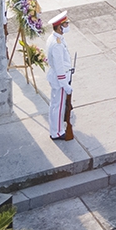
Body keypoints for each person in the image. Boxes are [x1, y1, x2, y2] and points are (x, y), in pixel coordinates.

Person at [45, 11, 75, 140]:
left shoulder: (54, 38)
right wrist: (65, 85)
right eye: (65, 24)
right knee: (58, 106)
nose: (67, 25)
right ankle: (57, 132)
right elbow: (59, 66)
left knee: (55, 104)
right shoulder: (57, 44)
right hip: (59, 79)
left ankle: (55, 129)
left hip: (57, 76)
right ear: (59, 27)